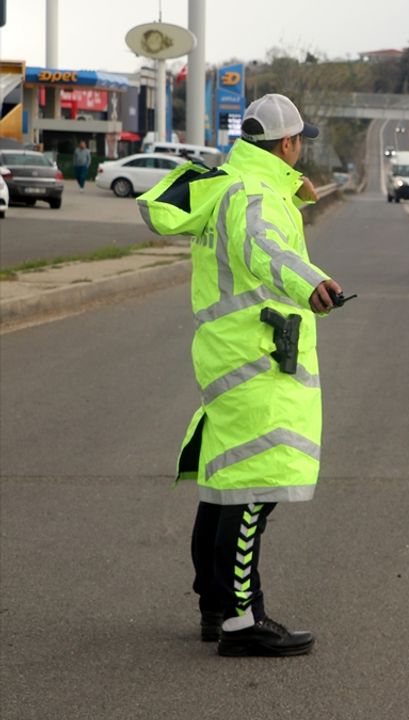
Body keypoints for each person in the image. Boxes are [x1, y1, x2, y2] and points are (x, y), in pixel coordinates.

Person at [137, 93, 342, 657]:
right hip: (258, 355)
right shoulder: (254, 194)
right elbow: (262, 246)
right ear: (288, 143)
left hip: (231, 352)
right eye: (300, 143)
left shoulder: (237, 183)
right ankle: (242, 621)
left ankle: (215, 605)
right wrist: (311, 282)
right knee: (255, 492)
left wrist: (290, 189)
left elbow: (252, 235)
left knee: (227, 485)